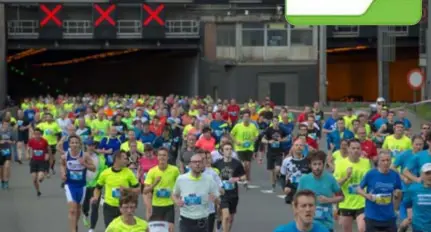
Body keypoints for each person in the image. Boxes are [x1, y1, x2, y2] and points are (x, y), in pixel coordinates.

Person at [91, 150, 140, 228]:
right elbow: (97, 188)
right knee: (111, 228)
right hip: (109, 207)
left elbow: (138, 190)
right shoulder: (105, 173)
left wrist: (127, 189)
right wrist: (96, 198)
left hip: (125, 207)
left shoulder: (128, 172)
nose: (127, 160)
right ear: (117, 159)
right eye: (125, 158)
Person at [297, 150, 344, 231]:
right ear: (310, 165)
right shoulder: (304, 179)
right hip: (308, 224)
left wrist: (328, 200)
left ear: (323, 165)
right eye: (314, 164)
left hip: (326, 224)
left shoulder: (330, 179)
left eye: (319, 164)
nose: (317, 167)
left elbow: (342, 197)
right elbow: (296, 201)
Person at [172, 154, 221, 232]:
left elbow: (218, 200)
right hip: (185, 220)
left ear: (202, 164)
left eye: (199, 162)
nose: (197, 164)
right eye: (195, 162)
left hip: (202, 221)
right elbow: (174, 194)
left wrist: (215, 199)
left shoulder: (209, 179)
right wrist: (177, 201)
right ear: (190, 165)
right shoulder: (181, 179)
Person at [356, 150, 402, 232]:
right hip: (372, 216)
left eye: (388, 160)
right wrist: (367, 196)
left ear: (391, 161)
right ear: (378, 162)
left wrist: (397, 195)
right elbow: (358, 189)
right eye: (383, 160)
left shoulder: (394, 175)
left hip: (389, 217)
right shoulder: (371, 174)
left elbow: (398, 190)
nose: (386, 163)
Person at [333, 139, 371, 232]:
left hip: (362, 202)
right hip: (346, 202)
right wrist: (346, 177)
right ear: (348, 149)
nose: (355, 150)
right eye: (353, 148)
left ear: (361, 149)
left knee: (362, 229)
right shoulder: (340, 163)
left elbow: (370, 180)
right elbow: (335, 185)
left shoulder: (366, 162)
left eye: (358, 148)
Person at [60, 135, 96, 232]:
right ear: (69, 144)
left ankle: (74, 226)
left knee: (78, 210)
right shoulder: (66, 155)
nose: (74, 144)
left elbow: (93, 168)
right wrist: (63, 173)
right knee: (72, 210)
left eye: (76, 142)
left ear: (80, 144)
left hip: (82, 186)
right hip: (70, 185)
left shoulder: (85, 155)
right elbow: (62, 165)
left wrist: (84, 164)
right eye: (72, 142)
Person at [144, 147, 180, 232]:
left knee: (170, 229)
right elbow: (145, 191)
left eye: (164, 155)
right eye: (160, 155)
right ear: (157, 157)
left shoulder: (174, 170)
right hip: (156, 205)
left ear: (168, 157)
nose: (162, 157)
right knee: (156, 230)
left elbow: (180, 184)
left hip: (169, 205)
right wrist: (154, 184)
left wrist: (177, 197)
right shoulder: (152, 171)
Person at [213, 142, 246, 232]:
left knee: (230, 218)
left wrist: (236, 179)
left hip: (233, 193)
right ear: (222, 151)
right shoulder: (217, 163)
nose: (229, 151)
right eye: (226, 149)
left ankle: (223, 227)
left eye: (230, 149)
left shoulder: (237, 163)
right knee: (226, 216)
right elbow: (212, 176)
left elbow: (244, 177)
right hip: (222, 194)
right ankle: (221, 225)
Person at [81, 138, 107, 232]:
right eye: (89, 145)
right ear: (86, 146)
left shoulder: (100, 158)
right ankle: (85, 213)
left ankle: (92, 228)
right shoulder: (82, 156)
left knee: (95, 206)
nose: (91, 147)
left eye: (92, 145)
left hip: (96, 185)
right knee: (85, 206)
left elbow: (104, 169)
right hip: (84, 185)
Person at [402, 162, 431, 232]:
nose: (430, 176)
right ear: (421, 175)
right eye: (427, 173)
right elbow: (407, 204)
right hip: (419, 228)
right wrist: (408, 218)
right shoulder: (413, 189)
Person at [27, 128, 50, 196]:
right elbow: (28, 148)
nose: (37, 135)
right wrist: (27, 154)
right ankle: (38, 191)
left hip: (42, 161)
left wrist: (47, 155)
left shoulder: (44, 141)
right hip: (33, 161)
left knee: (40, 177)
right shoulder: (31, 141)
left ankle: (42, 177)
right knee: (34, 179)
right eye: (35, 134)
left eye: (38, 134)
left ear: (40, 134)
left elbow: (48, 149)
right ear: (34, 134)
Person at [0, 120, 15, 189]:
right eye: (5, 124)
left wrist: (11, 141)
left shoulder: (10, 133)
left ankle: (6, 181)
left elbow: (14, 141)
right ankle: (2, 181)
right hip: (0, 151)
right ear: (2, 125)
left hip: (7, 151)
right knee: (1, 169)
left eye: (7, 125)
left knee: (7, 166)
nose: (6, 126)